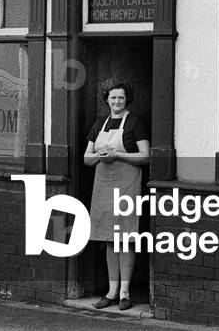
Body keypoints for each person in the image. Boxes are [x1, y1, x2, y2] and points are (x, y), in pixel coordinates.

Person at [84, 79, 150, 311]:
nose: (117, 101)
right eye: (113, 97)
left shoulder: (135, 122)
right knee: (109, 240)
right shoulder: (99, 123)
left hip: (127, 186)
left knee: (126, 238)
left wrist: (118, 155)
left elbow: (145, 156)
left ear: (126, 99)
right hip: (103, 186)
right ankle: (111, 291)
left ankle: (125, 292)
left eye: (121, 97)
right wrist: (101, 155)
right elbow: (86, 158)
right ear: (107, 100)